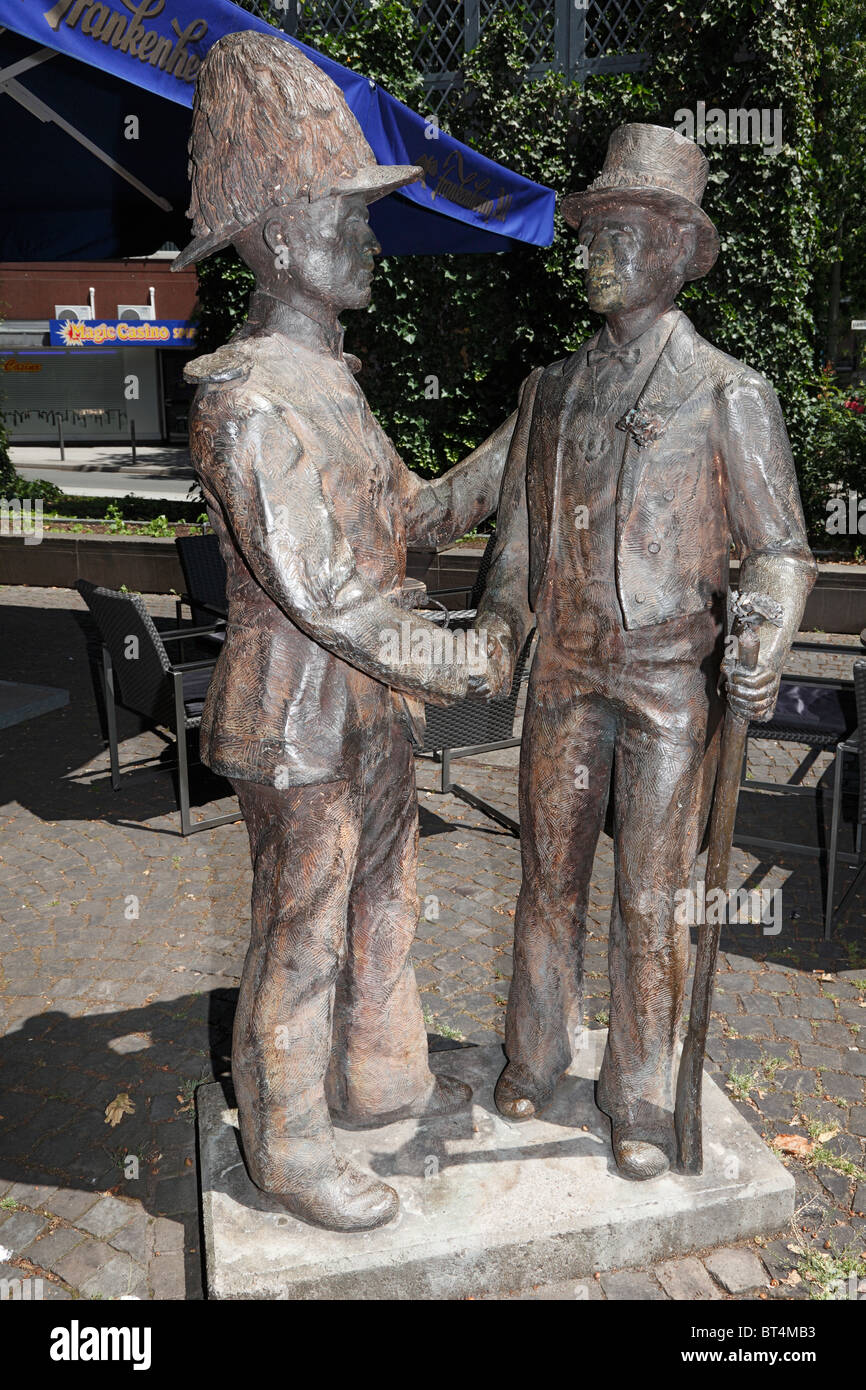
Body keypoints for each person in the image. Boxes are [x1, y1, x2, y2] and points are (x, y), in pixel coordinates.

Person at [172, 32, 515, 1230]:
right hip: (297, 718)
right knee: (304, 922)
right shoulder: (245, 394)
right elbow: (322, 589)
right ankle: (290, 1143)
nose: (369, 239)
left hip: (370, 707)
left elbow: (402, 523)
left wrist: (508, 452)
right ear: (271, 234)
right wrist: (463, 659)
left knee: (385, 900)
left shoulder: (334, 384)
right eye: (343, 214)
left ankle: (378, 1080)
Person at [475, 123, 817, 1180]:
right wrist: (498, 623)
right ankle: (530, 1054)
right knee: (545, 875)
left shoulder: (727, 392)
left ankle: (632, 1093)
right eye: (588, 233)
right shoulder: (550, 390)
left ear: (673, 248)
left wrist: (763, 628)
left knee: (651, 893)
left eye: (618, 233)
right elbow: (517, 537)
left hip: (670, 679)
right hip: (566, 669)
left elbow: (779, 548)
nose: (593, 251)